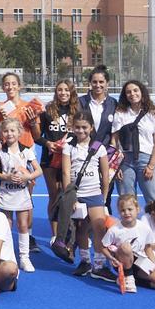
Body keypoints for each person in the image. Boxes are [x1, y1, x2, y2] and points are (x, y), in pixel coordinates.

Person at [56, 115, 113, 280]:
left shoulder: (99, 147)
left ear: (91, 128)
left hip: (94, 194)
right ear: (73, 128)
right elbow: (66, 173)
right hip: (77, 194)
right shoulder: (68, 147)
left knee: (99, 228)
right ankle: (85, 261)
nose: (81, 131)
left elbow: (105, 174)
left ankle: (99, 265)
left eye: (84, 127)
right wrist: (70, 197)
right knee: (81, 229)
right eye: (78, 127)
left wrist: (103, 196)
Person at [0, 118, 42, 273]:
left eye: (13, 130)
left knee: (23, 225)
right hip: (6, 194)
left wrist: (27, 177)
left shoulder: (26, 151)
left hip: (22, 194)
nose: (9, 133)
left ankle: (24, 257)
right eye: (6, 131)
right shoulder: (0, 152)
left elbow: (38, 171)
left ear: (19, 132)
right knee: (5, 227)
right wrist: (6, 177)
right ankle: (7, 256)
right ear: (2, 133)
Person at [110, 80, 155, 205]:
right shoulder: (120, 113)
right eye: (128, 92)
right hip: (124, 161)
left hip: (146, 159)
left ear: (142, 92)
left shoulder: (154, 114)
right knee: (126, 201)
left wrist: (151, 166)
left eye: (135, 90)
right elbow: (114, 140)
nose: (132, 94)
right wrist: (115, 165)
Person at [102, 194, 155, 293]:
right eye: (123, 210)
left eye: (130, 209)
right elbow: (103, 247)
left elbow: (148, 248)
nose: (126, 213)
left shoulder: (144, 228)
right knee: (126, 247)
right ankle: (128, 276)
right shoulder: (114, 230)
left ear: (137, 209)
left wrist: (154, 265)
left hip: (140, 261)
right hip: (121, 261)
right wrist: (111, 258)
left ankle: (135, 280)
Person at [37, 80, 78, 235]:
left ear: (72, 91)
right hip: (50, 159)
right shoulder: (48, 110)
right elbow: (37, 136)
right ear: (56, 92)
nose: (63, 93)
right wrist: (48, 143)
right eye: (60, 90)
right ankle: (55, 234)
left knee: (68, 195)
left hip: (71, 158)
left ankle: (67, 229)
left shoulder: (77, 110)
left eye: (66, 90)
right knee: (54, 196)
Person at [79, 65, 118, 145]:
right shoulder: (81, 102)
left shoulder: (113, 104)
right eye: (94, 82)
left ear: (107, 83)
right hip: (84, 150)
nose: (97, 85)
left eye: (101, 82)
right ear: (90, 83)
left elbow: (115, 130)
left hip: (105, 152)